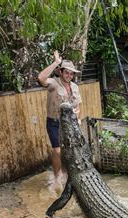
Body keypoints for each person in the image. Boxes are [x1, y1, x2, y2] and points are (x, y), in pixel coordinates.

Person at [37, 51, 81, 192]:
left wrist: (77, 116)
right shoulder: (54, 84)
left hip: (70, 123)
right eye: (66, 72)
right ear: (61, 72)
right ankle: (57, 177)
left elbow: (78, 106)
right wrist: (56, 62)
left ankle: (66, 174)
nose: (69, 75)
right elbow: (41, 78)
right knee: (57, 151)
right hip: (54, 122)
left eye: (71, 73)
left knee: (69, 151)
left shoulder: (75, 87)